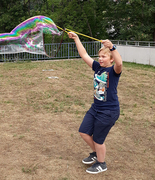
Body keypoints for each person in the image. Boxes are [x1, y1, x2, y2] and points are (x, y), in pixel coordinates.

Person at [68, 32, 122, 174]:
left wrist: (113, 48)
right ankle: (96, 154)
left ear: (111, 60)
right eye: (99, 56)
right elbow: (84, 55)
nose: (100, 58)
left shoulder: (113, 71)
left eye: (104, 56)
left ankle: (101, 163)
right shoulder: (98, 67)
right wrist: (76, 38)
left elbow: (120, 63)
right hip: (95, 108)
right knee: (83, 131)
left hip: (108, 111)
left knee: (98, 139)